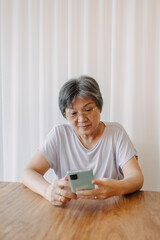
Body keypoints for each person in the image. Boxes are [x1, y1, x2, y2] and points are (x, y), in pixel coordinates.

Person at [22, 75, 144, 206]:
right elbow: (28, 172)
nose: (82, 119)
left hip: (111, 209)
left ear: (99, 107)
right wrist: (47, 190)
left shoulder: (116, 133)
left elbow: (136, 177)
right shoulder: (59, 135)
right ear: (65, 115)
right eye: (73, 113)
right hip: (69, 209)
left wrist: (116, 188)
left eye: (88, 110)